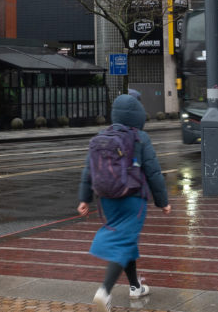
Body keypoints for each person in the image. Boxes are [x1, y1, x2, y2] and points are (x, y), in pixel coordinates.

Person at [77, 94, 171, 310]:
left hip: (107, 200)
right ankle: (104, 291)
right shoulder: (140, 137)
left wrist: (84, 198)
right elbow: (153, 172)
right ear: (138, 114)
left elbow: (88, 170)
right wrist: (162, 201)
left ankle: (135, 287)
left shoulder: (102, 136)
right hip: (133, 200)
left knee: (126, 239)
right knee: (123, 242)